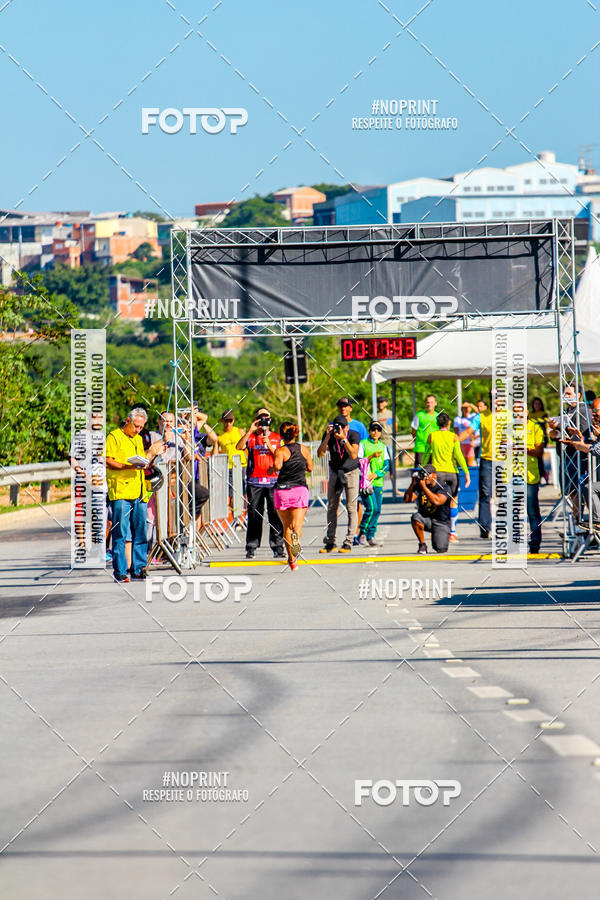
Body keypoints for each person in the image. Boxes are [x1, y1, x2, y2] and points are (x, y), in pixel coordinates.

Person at [105, 408, 165, 583]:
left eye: (141, 427)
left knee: (140, 532)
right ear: (127, 421)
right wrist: (127, 466)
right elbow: (108, 460)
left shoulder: (139, 439)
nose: (138, 430)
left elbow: (143, 461)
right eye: (136, 426)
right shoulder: (114, 437)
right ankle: (120, 571)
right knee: (121, 533)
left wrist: (153, 454)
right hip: (121, 493)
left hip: (139, 492)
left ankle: (139, 568)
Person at [236, 407, 285, 559]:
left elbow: (281, 455)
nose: (264, 421)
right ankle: (251, 547)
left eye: (266, 418)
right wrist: (250, 430)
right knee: (254, 515)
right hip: (255, 481)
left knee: (275, 515)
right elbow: (238, 447)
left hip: (273, 481)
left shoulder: (277, 437)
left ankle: (278, 547)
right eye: (260, 418)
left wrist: (269, 445)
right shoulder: (251, 437)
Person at [422, 412, 470, 543]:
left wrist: (423, 469)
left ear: (437, 424)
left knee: (437, 502)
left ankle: (436, 531)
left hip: (438, 473)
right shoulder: (454, 436)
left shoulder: (432, 436)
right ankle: (453, 532)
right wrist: (466, 472)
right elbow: (459, 455)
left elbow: (426, 453)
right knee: (453, 500)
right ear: (449, 423)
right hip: (452, 473)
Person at [272, 422, 313, 570]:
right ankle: (296, 540)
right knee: (296, 526)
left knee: (286, 527)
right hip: (299, 490)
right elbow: (310, 467)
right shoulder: (304, 449)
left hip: (282, 491)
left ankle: (291, 558)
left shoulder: (280, 451)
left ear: (281, 435)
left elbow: (277, 467)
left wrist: (271, 468)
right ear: (295, 434)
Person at [317, 414, 360, 553]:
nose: (338, 430)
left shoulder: (353, 435)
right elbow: (320, 453)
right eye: (336, 427)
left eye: (341, 428)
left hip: (351, 472)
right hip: (335, 472)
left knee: (351, 507)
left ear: (347, 427)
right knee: (332, 506)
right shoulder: (329, 435)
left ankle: (349, 541)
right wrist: (328, 437)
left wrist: (344, 439)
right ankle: (331, 541)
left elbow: (354, 454)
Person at [403, 464, 452, 554]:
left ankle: (438, 535)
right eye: (423, 475)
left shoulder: (444, 487)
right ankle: (422, 544)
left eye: (427, 475)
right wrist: (413, 483)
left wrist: (424, 488)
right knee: (416, 517)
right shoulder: (420, 485)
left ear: (434, 475)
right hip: (426, 519)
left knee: (440, 549)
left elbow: (437, 501)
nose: (425, 478)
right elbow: (407, 499)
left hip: (441, 522)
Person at [357, 421, 391, 547]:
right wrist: (371, 456)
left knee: (377, 510)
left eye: (378, 430)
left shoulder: (383, 446)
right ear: (369, 431)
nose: (375, 432)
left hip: (378, 483)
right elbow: (360, 461)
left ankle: (371, 536)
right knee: (371, 508)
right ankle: (361, 534)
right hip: (366, 484)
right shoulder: (363, 444)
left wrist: (377, 474)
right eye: (373, 429)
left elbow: (386, 465)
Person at [522, 404, 545, 554]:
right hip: (511, 474)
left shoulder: (535, 428)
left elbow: (539, 450)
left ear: (526, 412)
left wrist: (524, 449)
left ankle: (535, 543)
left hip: (530, 475)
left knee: (532, 511)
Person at [216, 410, 247, 497]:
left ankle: (243, 509)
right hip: (227, 466)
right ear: (222, 421)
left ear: (233, 421)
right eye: (226, 421)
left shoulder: (239, 431)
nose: (228, 423)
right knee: (229, 492)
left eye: (230, 421)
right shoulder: (220, 435)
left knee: (242, 489)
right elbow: (214, 454)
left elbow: (247, 448)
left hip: (241, 465)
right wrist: (215, 442)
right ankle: (230, 509)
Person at [411, 394, 439, 467]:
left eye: (431, 402)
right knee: (420, 472)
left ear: (436, 403)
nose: (429, 404)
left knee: (434, 472)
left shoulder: (438, 416)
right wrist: (418, 441)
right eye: (428, 402)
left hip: (434, 449)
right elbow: (413, 431)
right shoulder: (419, 415)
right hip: (421, 449)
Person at [530, 397, 549, 484]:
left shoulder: (544, 414)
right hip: (532, 438)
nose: (537, 405)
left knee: (539, 457)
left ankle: (542, 474)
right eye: (535, 404)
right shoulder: (530, 415)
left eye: (538, 404)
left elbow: (547, 426)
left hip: (541, 438)